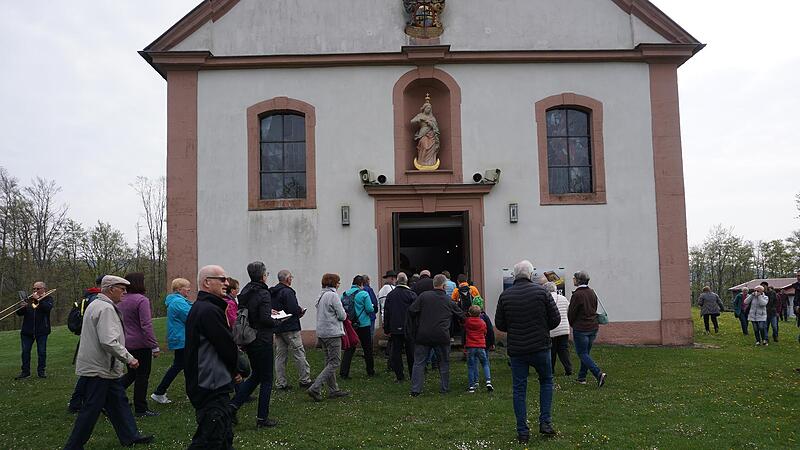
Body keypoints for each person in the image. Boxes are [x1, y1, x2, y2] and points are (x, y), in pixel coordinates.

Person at [63, 275, 154, 449]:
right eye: (122, 288)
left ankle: (130, 437)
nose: (125, 292)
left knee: (119, 403)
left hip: (104, 367)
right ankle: (73, 445)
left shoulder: (96, 304)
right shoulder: (105, 309)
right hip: (101, 367)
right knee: (91, 409)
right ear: (111, 289)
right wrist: (129, 358)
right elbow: (109, 341)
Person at [495, 260, 561, 443]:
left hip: (518, 349)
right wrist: (541, 327)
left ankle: (522, 431)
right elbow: (555, 319)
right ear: (531, 274)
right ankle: (545, 422)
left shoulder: (505, 296)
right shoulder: (542, 292)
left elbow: (500, 324)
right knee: (546, 382)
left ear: (515, 275)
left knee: (519, 389)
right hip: (540, 346)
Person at [185, 265, 242, 448]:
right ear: (207, 283)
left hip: (212, 382)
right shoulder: (208, 310)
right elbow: (225, 346)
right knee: (209, 440)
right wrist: (237, 369)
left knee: (224, 437)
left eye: (226, 279)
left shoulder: (206, 307)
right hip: (210, 385)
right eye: (222, 279)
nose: (226, 283)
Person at [230, 261, 278, 428]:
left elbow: (252, 313)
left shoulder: (245, 291)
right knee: (267, 379)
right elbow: (264, 319)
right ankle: (262, 418)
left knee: (256, 375)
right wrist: (278, 321)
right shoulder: (264, 293)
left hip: (249, 338)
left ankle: (232, 407)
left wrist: (266, 313)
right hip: (262, 339)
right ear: (263, 276)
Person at [407, 274, 465, 396]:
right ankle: (444, 388)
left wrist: (417, 323)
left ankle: (415, 389)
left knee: (419, 363)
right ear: (444, 286)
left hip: (423, 334)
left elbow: (412, 310)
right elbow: (461, 315)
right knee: (444, 362)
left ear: (434, 284)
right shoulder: (448, 300)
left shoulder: (423, 296)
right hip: (441, 335)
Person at [117, 273, 161, 417]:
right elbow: (146, 325)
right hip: (141, 344)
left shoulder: (121, 300)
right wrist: (154, 346)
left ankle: (111, 396)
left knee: (131, 374)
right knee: (142, 376)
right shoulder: (141, 300)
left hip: (125, 342)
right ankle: (141, 408)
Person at [306, 273, 350, 401]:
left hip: (323, 333)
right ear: (334, 283)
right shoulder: (333, 296)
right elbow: (342, 315)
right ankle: (315, 387)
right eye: (338, 282)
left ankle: (333, 389)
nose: (339, 284)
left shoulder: (321, 295)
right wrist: (345, 314)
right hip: (332, 332)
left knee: (328, 361)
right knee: (335, 362)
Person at [151, 278, 193, 405]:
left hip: (181, 338)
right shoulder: (178, 303)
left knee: (184, 366)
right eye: (187, 287)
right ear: (179, 289)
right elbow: (191, 317)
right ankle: (159, 392)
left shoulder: (177, 301)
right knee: (181, 365)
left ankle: (189, 393)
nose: (189, 289)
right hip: (182, 339)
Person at [270, 269, 313, 391]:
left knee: (280, 355)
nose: (291, 279)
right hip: (290, 327)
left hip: (278, 327)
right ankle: (305, 379)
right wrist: (300, 311)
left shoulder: (272, 291)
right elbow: (292, 308)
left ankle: (281, 382)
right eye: (291, 277)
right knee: (299, 352)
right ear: (287, 279)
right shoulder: (288, 292)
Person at [68, 276, 104, 413]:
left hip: (86, 335)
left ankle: (79, 402)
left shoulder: (87, 296)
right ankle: (76, 403)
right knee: (91, 373)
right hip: (93, 337)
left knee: (91, 373)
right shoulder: (96, 298)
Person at [568, 270, 607, 387]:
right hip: (593, 326)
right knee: (586, 353)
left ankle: (598, 374)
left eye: (574, 278)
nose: (573, 280)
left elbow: (572, 313)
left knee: (582, 353)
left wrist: (572, 323)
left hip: (581, 328)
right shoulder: (592, 293)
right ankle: (582, 377)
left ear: (578, 280)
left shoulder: (577, 295)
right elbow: (594, 308)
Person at [14, 281, 54, 380]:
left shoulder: (48, 298)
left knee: (41, 352)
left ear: (44, 289)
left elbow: (47, 309)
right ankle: (25, 372)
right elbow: (19, 313)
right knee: (25, 352)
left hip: (42, 331)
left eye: (38, 289)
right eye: (34, 289)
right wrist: (22, 307)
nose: (35, 291)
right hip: (27, 331)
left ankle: (41, 372)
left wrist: (38, 300)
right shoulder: (29, 300)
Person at [383, 272, 416, 382]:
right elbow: (415, 312)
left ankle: (399, 376)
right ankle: (413, 374)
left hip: (395, 327)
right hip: (409, 328)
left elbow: (387, 312)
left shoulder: (391, 295)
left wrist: (386, 328)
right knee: (411, 352)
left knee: (396, 353)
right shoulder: (411, 294)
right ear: (406, 281)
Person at [340, 275, 375, 378]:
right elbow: (369, 309)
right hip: (363, 324)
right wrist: (372, 308)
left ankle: (344, 372)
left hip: (350, 325)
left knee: (349, 348)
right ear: (361, 284)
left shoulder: (344, 294)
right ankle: (370, 371)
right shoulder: (364, 294)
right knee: (367, 348)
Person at [464, 305, 493, 393]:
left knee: (471, 366)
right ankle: (488, 381)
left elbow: (465, 329)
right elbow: (485, 332)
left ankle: (471, 386)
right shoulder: (482, 322)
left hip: (470, 346)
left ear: (469, 313)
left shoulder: (467, 322)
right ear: (480, 313)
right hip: (481, 346)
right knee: (485, 364)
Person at [545, 281, 572, 376]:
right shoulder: (563, 298)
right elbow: (569, 311)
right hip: (564, 328)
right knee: (563, 350)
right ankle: (568, 369)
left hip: (552, 329)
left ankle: (551, 370)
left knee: (552, 351)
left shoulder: (546, 299)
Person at [411, 94, 441, 167]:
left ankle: (430, 163)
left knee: (432, 148)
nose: (429, 110)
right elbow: (412, 121)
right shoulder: (420, 115)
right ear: (424, 109)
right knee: (424, 145)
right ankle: (422, 162)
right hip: (423, 133)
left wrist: (431, 123)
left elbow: (436, 127)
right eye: (427, 108)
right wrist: (420, 119)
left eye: (430, 109)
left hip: (431, 134)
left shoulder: (432, 117)